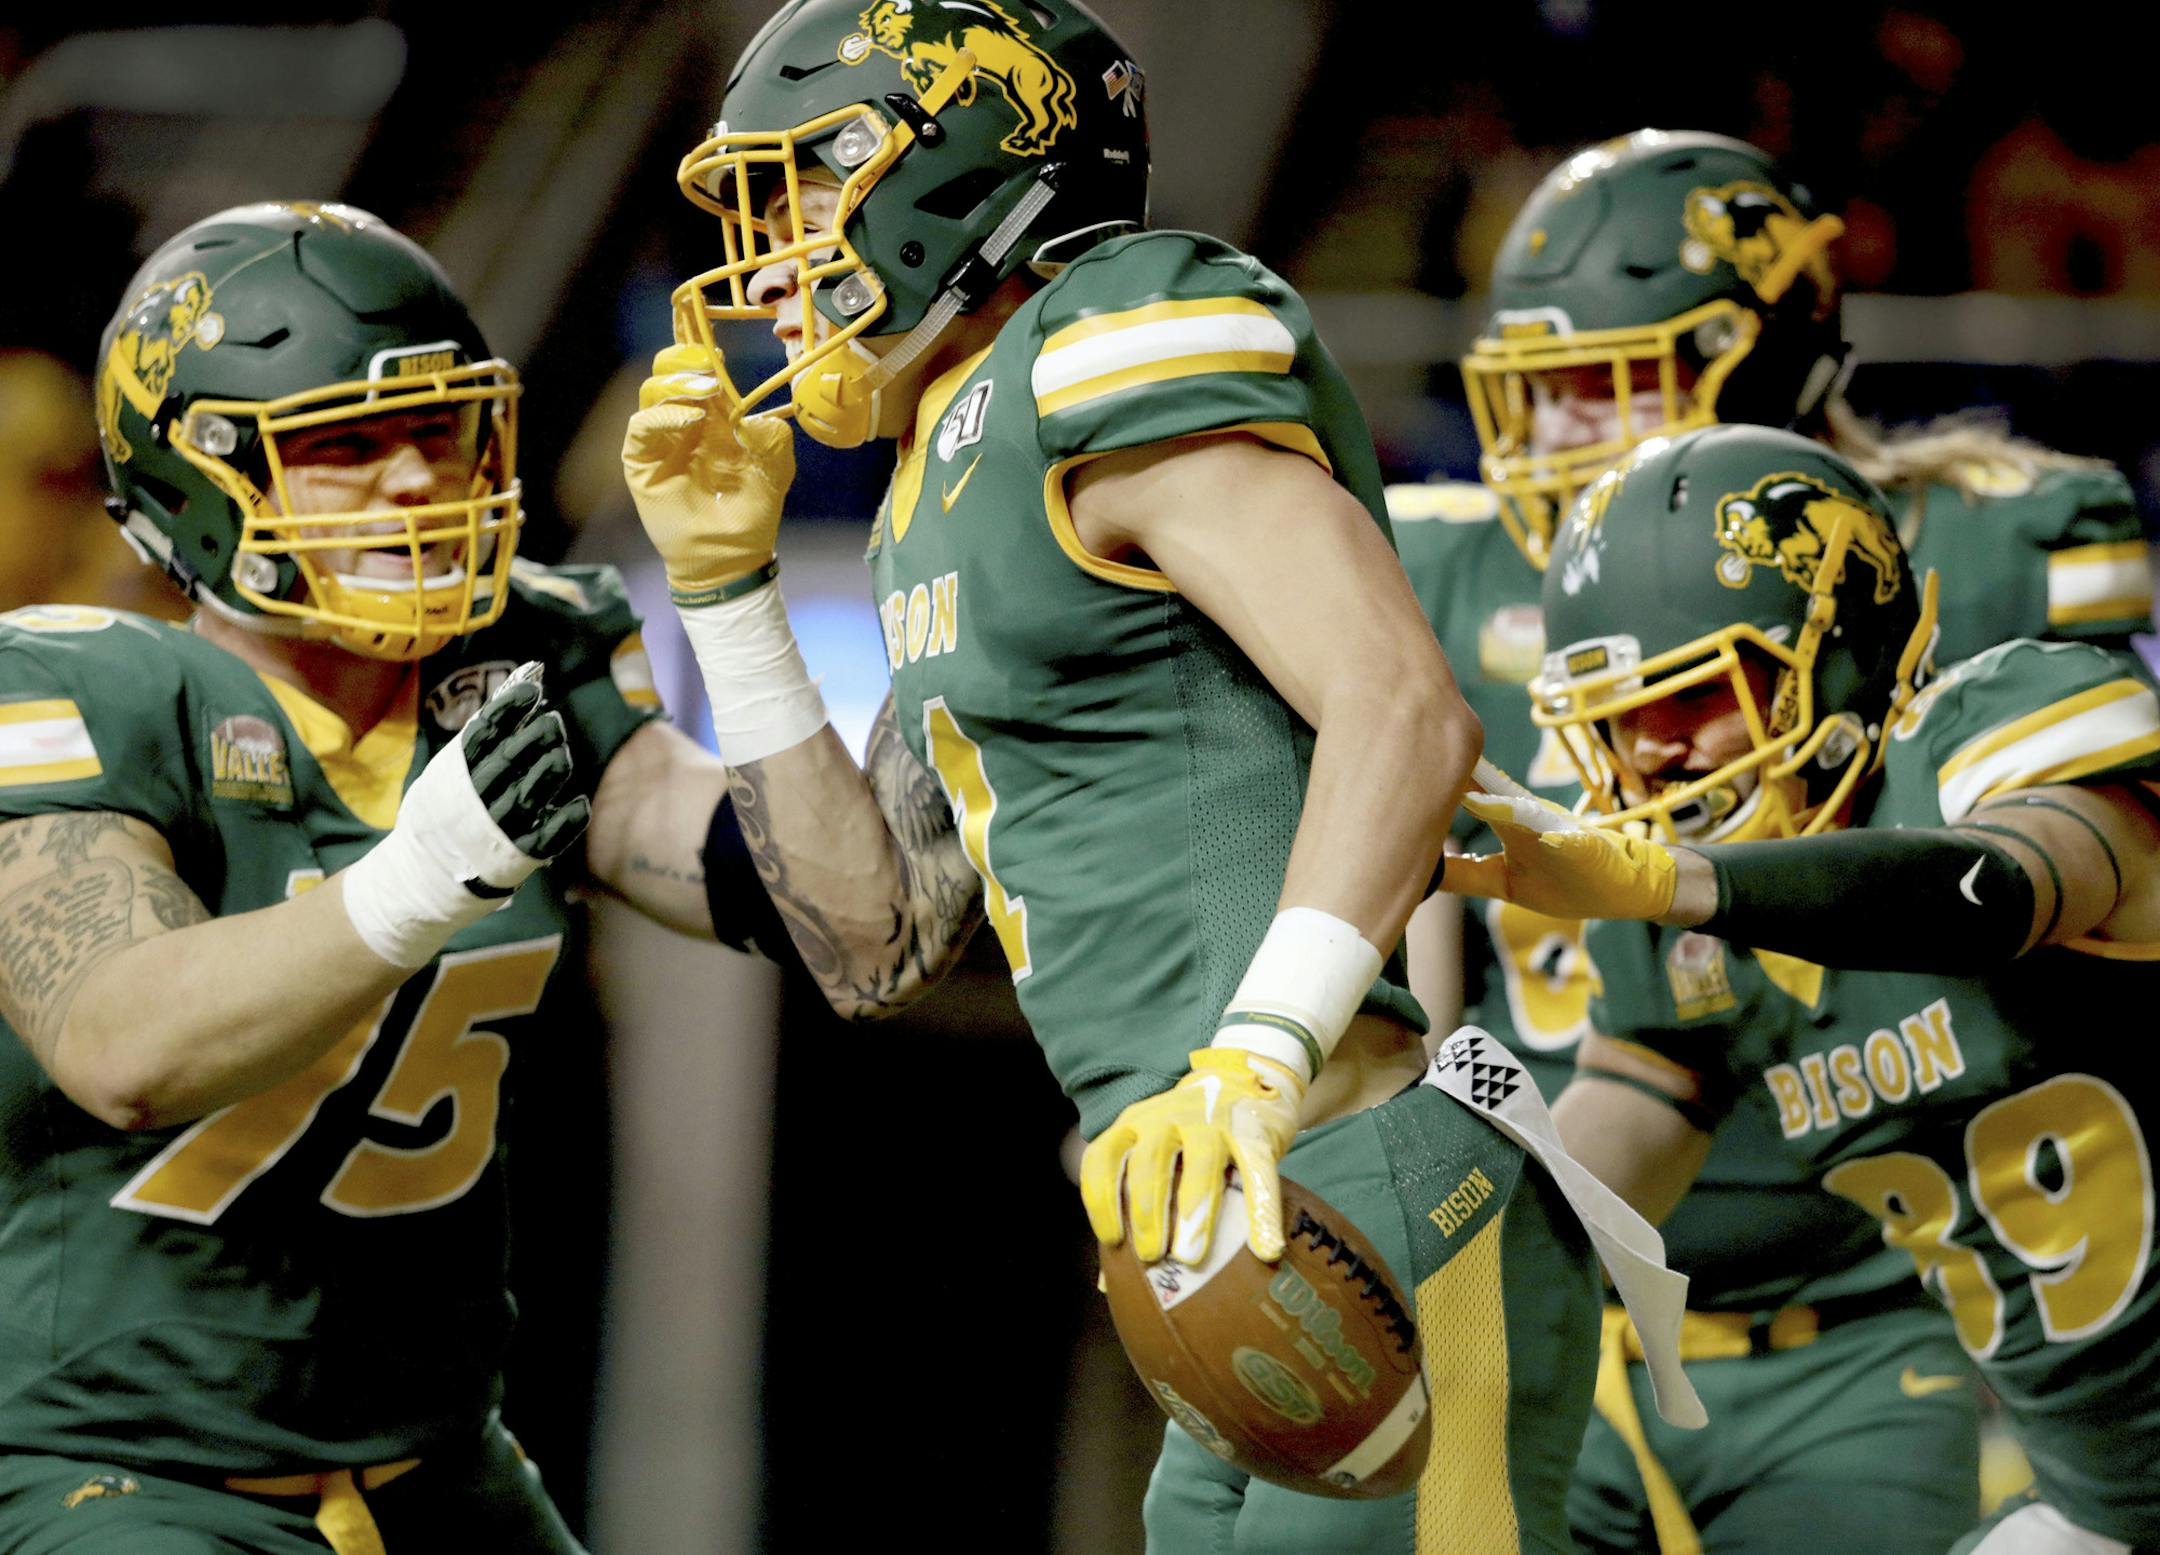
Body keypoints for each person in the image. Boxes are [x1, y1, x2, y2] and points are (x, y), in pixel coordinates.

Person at [618, 3, 1701, 1549]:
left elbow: (1403, 708)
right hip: (1231, 1221)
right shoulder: (940, 473)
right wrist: (729, 596)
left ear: (949, 169)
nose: (772, 263)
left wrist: (1255, 1057)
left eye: (802, 195)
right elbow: (868, 943)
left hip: (1359, 1174)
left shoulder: (1107, 336)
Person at [1397, 126, 2153, 1555]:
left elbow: (2012, 883)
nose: (1654, 761)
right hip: (2079, 1464)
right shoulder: (1682, 943)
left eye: (1700, 699)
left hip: (1870, 1311)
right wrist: (1367, 1208)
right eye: (1617, 726)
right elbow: (1624, 1105)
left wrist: (1685, 881)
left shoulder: (2002, 674)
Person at [0, 201, 791, 1555]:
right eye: (347, 445)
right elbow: (123, 1045)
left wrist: (740, 601)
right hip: (128, 1472)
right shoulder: (72, 689)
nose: (417, 481)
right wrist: (421, 875)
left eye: (437, 429)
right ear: (200, 481)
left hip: (441, 1459)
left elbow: (850, 928)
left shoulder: (519, 660)